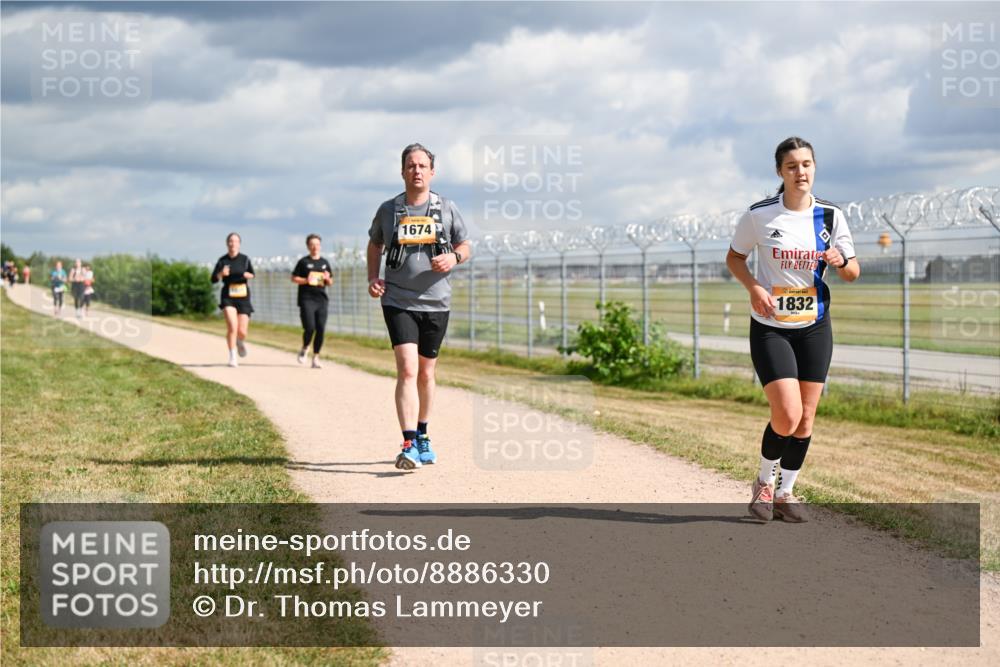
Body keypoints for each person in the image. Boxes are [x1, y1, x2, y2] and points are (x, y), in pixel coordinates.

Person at [726, 136, 860, 523]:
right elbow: (735, 258)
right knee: (786, 413)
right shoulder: (760, 215)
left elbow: (853, 272)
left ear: (814, 167)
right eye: (791, 167)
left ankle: (785, 492)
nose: (800, 172)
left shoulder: (831, 216)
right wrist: (753, 288)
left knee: (805, 418)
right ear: (780, 172)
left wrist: (840, 260)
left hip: (815, 325)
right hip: (771, 326)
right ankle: (763, 484)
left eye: (806, 164)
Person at [367, 142, 471, 470]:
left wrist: (454, 257)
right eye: (411, 166)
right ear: (402, 172)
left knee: (426, 373)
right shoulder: (389, 210)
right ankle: (409, 442)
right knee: (408, 368)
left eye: (422, 166)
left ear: (432, 172)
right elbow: (374, 243)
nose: (417, 171)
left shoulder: (446, 208)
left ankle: (423, 434)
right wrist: (373, 277)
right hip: (398, 299)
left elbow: (465, 245)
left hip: (437, 302)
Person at [211, 233, 255, 367]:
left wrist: (248, 275)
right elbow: (213, 279)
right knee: (232, 326)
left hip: (243, 295)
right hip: (228, 296)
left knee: (242, 331)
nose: (233, 243)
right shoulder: (222, 261)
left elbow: (252, 274)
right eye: (230, 241)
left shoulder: (245, 259)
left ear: (239, 244)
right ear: (227, 243)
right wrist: (220, 274)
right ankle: (232, 357)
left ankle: (240, 341)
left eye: (235, 241)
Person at [291, 234, 333, 369]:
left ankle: (316, 357)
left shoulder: (324, 263)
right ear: (308, 246)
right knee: (309, 327)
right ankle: (305, 347)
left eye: (317, 244)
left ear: (320, 246)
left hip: (321, 299)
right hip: (306, 299)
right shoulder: (303, 262)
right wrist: (305, 280)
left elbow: (330, 282)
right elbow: (293, 278)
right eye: (312, 244)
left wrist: (327, 279)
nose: (315, 247)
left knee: (320, 328)